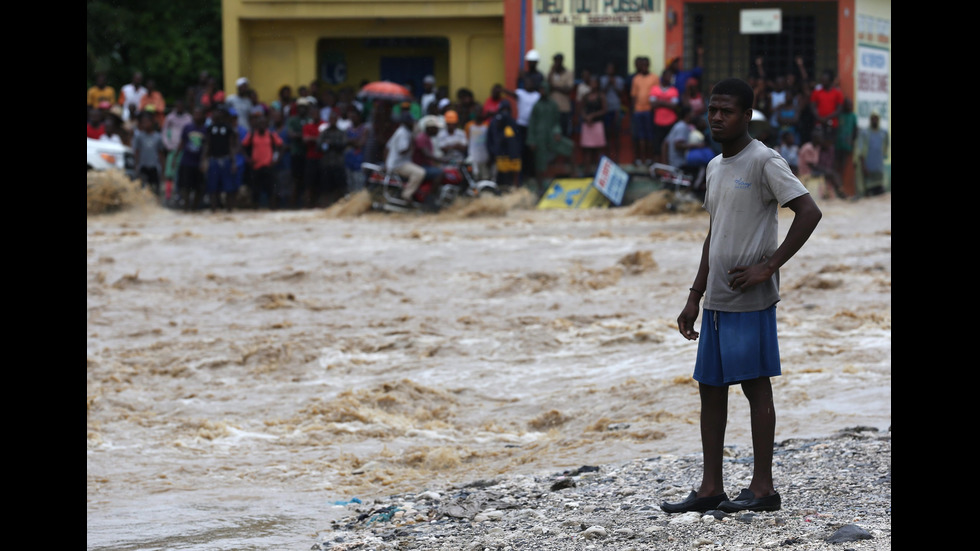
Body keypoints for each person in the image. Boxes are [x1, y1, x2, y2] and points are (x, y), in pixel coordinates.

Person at [663, 77, 822, 515]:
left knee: (755, 388)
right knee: (710, 389)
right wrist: (694, 294)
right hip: (715, 299)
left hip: (751, 299)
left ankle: (763, 488)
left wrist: (768, 267)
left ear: (746, 116)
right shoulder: (715, 166)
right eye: (712, 110)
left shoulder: (764, 161)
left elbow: (809, 211)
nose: (717, 117)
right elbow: (713, 234)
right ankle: (711, 487)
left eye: (726, 111)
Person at [526, 82, 573, 181]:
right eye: (541, 90)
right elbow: (532, 124)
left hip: (552, 136)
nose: (542, 92)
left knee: (569, 147)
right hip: (539, 138)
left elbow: (557, 121)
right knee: (540, 162)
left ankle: (574, 174)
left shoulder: (553, 105)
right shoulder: (536, 106)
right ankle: (540, 186)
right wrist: (531, 140)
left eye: (544, 89)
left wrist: (557, 131)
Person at [242, 111, 284, 209]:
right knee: (255, 190)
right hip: (256, 166)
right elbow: (243, 146)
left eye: (263, 123)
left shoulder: (271, 135)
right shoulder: (252, 135)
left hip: (268, 165)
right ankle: (255, 208)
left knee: (272, 189)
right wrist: (247, 159)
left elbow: (282, 146)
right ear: (257, 124)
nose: (261, 125)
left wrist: (277, 159)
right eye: (259, 123)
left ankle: (272, 208)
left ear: (267, 125)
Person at [201, 106, 240, 212]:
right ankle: (214, 210)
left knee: (229, 187)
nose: (216, 115)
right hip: (213, 160)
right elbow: (207, 145)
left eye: (218, 112)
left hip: (226, 159)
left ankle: (229, 210)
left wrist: (234, 162)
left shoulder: (228, 128)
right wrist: (204, 160)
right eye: (215, 112)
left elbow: (231, 145)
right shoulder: (210, 128)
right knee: (212, 187)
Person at [385, 111, 427, 202]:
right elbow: (402, 151)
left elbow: (387, 147)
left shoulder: (403, 131)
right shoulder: (403, 133)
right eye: (411, 122)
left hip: (396, 163)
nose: (413, 123)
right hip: (399, 164)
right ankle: (406, 195)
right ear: (406, 122)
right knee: (420, 172)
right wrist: (412, 140)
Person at [176, 106, 209, 211]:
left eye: (199, 114)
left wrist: (204, 160)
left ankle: (194, 207)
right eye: (195, 114)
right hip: (187, 161)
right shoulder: (187, 127)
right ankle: (186, 207)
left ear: (203, 116)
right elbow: (182, 143)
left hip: (198, 163)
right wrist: (175, 157)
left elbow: (207, 146)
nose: (197, 116)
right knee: (185, 186)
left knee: (199, 187)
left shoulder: (205, 129)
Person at [485, 99, 522, 190]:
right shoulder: (495, 122)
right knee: (500, 180)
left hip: (512, 158)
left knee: (511, 180)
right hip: (499, 157)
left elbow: (517, 140)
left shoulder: (513, 123)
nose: (505, 112)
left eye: (507, 110)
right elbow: (490, 139)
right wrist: (492, 152)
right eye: (503, 110)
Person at [316, 109, 349, 207]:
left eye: (334, 119)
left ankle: (340, 205)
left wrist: (331, 144)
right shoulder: (324, 132)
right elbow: (318, 146)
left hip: (338, 164)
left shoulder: (341, 132)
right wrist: (326, 145)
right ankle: (326, 205)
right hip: (327, 164)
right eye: (331, 119)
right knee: (326, 188)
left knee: (340, 187)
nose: (332, 121)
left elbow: (343, 144)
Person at [576, 74, 608, 175]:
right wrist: (585, 116)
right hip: (587, 125)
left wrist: (593, 116)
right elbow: (581, 109)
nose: (593, 85)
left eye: (595, 83)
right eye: (592, 83)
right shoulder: (586, 96)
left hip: (597, 124)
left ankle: (600, 172)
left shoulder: (601, 95)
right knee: (587, 149)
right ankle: (587, 171)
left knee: (599, 149)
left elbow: (604, 110)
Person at [162, 99, 193, 201]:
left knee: (182, 174)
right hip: (173, 149)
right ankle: (168, 196)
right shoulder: (170, 118)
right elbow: (165, 132)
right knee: (170, 173)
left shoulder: (188, 118)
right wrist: (168, 145)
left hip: (185, 150)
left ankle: (181, 195)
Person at [629, 56, 658, 166]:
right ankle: (641, 159)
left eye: (646, 65)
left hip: (649, 110)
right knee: (640, 136)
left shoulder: (654, 78)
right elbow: (633, 96)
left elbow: (657, 93)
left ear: (649, 65)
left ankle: (649, 159)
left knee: (649, 135)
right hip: (638, 111)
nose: (644, 67)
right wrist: (633, 110)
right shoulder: (636, 78)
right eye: (643, 65)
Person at [649, 70, 680, 165]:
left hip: (671, 122)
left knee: (669, 146)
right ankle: (657, 168)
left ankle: (668, 168)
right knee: (656, 146)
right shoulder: (654, 89)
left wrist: (660, 101)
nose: (669, 78)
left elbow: (674, 106)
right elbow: (652, 104)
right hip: (658, 122)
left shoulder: (674, 90)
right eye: (668, 76)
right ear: (663, 77)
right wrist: (667, 102)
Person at [599, 61, 626, 162]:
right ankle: (607, 156)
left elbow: (621, 94)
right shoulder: (602, 80)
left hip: (616, 109)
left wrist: (614, 85)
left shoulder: (619, 80)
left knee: (616, 133)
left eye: (612, 68)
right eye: (608, 68)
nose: (610, 70)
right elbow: (601, 93)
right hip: (605, 109)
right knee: (606, 133)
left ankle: (616, 157)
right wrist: (608, 84)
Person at [857, 110, 888, 196]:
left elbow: (885, 150)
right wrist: (864, 166)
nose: (874, 120)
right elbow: (860, 151)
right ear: (870, 119)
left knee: (880, 192)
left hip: (878, 168)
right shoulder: (865, 133)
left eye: (876, 118)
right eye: (873, 118)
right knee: (868, 192)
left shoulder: (883, 133)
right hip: (868, 168)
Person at [809, 69, 844, 142]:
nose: (823, 82)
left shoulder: (837, 92)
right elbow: (812, 106)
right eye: (822, 80)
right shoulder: (817, 92)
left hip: (832, 124)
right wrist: (819, 117)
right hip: (819, 124)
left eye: (825, 80)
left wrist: (826, 118)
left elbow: (839, 109)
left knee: (830, 145)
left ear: (830, 81)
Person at [546, 53, 575, 137]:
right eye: (555, 61)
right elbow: (547, 88)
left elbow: (568, 90)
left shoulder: (569, 73)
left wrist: (554, 87)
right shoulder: (551, 73)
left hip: (564, 109)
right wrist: (551, 72)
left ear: (562, 61)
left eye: (558, 61)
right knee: (552, 133)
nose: (557, 63)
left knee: (564, 132)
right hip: (552, 109)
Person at [833, 97, 858, 190]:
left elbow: (855, 130)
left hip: (847, 145)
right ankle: (836, 185)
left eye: (850, 104)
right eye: (848, 104)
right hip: (838, 144)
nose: (849, 106)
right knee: (836, 165)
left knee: (842, 166)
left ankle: (840, 186)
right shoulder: (840, 115)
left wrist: (852, 142)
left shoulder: (853, 116)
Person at [343, 106, 368, 193]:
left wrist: (351, 141)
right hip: (349, 159)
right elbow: (344, 141)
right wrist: (355, 141)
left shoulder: (364, 128)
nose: (353, 119)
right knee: (350, 183)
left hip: (359, 160)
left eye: (355, 117)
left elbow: (361, 143)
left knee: (359, 183)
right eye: (352, 117)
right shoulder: (348, 128)